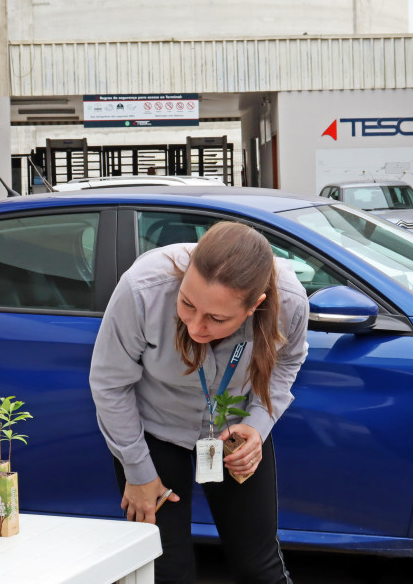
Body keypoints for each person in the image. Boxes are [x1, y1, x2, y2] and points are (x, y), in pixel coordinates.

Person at [89, 221, 309, 584]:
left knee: (259, 567)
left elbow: (287, 363)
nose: (194, 326)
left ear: (255, 305)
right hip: (154, 432)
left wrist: (257, 424)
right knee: (167, 569)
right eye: (187, 304)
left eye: (217, 319)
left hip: (232, 430)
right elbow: (110, 385)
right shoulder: (143, 287)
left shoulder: (290, 301)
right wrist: (137, 470)